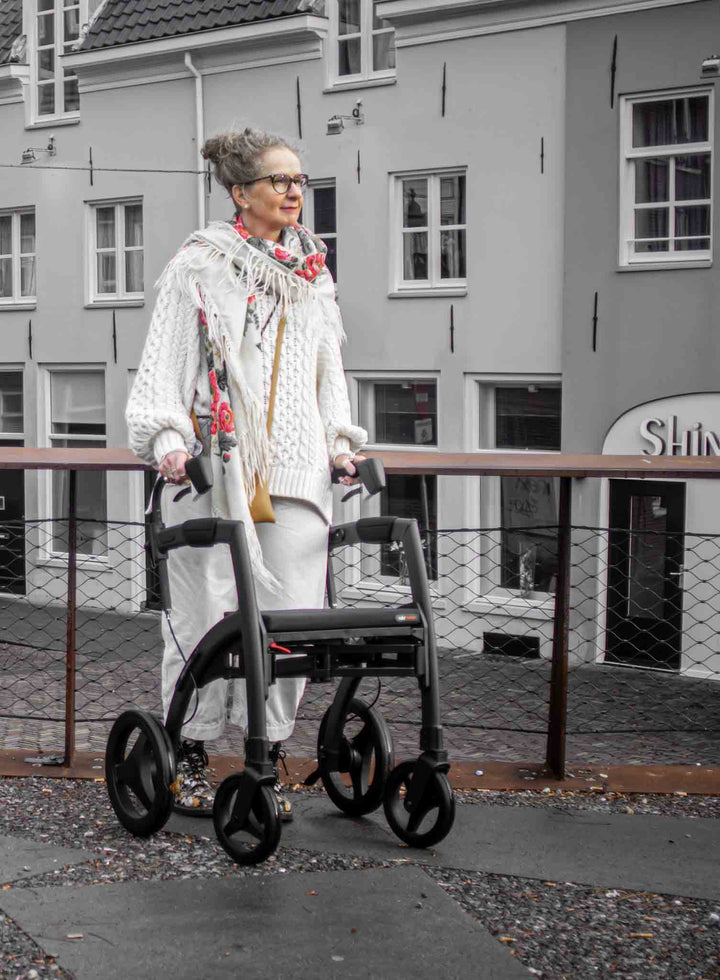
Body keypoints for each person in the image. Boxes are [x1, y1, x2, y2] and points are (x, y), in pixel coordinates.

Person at [126, 128, 367, 819]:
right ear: (240, 193)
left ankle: (264, 751)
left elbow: (329, 378)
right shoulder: (200, 266)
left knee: (292, 616)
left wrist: (341, 443)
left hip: (298, 472)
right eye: (278, 181)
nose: (294, 192)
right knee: (207, 613)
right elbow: (161, 371)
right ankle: (193, 750)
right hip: (215, 468)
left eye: (300, 181)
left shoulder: (314, 277)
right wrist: (168, 438)